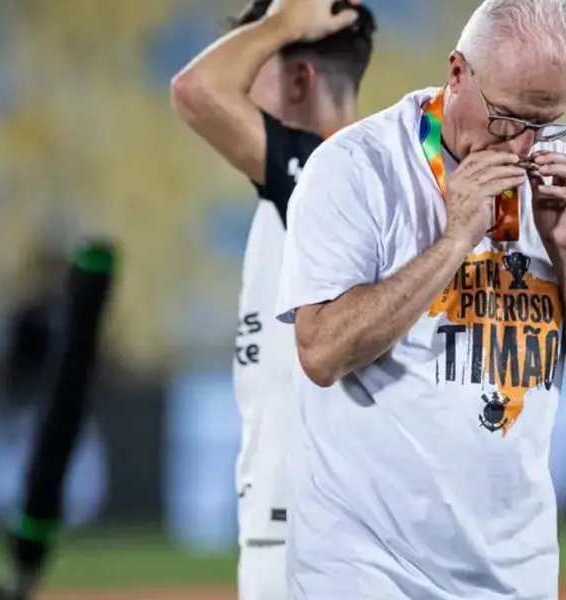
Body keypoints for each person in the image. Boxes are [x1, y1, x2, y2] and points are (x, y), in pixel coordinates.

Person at [274, 0, 566, 597]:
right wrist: (454, 239)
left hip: (513, 573)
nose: (523, 142)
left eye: (545, 121)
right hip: (365, 569)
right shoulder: (355, 168)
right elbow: (320, 351)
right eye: (508, 116)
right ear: (456, 73)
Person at [169, 0, 376, 599]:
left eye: (254, 57)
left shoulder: (321, 175)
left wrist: (282, 22)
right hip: (324, 537)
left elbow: (195, 91)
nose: (240, 72)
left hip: (305, 547)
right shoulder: (354, 182)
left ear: (297, 78)